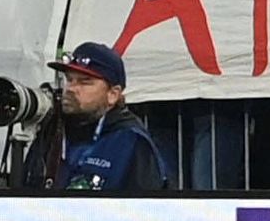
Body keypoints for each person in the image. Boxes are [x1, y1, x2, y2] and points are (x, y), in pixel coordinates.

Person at [14, 41, 167, 193]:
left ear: (112, 94)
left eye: (84, 82)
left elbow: (149, 211)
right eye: (69, 79)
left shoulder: (130, 140)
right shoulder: (52, 132)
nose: (71, 89)